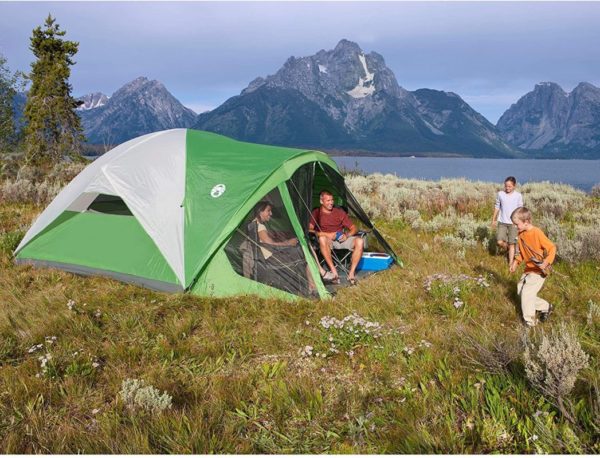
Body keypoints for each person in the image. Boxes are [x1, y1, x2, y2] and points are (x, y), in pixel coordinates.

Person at [251, 201, 318, 294]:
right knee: (306, 251)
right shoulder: (260, 226)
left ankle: (312, 284)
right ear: (260, 212)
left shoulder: (254, 224)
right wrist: (288, 243)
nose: (271, 213)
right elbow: (269, 244)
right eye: (268, 211)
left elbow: (267, 243)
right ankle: (313, 283)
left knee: (305, 251)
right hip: (272, 259)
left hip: (267, 257)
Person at [509, 207, 556, 327]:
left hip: (539, 270)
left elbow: (552, 248)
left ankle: (530, 322)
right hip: (529, 270)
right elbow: (520, 253)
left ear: (526, 222)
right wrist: (515, 263)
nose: (515, 227)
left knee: (526, 294)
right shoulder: (521, 235)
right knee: (520, 292)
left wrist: (546, 262)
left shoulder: (537, 232)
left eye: (517, 224)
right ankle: (546, 307)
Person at [308, 190, 364, 286]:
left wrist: (347, 235)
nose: (331, 203)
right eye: (328, 200)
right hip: (326, 241)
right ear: (321, 201)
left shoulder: (339, 212)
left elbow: (354, 228)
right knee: (322, 238)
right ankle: (334, 272)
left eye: (332, 200)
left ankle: (351, 273)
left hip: (341, 239)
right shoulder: (316, 213)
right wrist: (326, 234)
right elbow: (309, 230)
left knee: (360, 241)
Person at [492, 176, 523, 265]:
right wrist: (493, 219)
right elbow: (497, 207)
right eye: (506, 186)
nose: (507, 188)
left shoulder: (518, 196)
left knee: (512, 243)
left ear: (514, 186)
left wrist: (519, 222)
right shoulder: (500, 194)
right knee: (499, 241)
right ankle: (509, 248)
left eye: (509, 186)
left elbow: (520, 209)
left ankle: (510, 263)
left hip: (513, 223)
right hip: (502, 222)